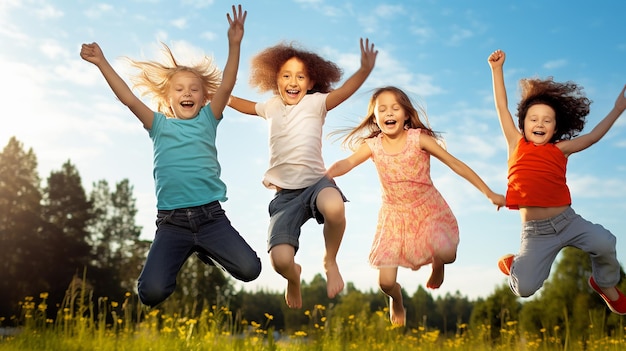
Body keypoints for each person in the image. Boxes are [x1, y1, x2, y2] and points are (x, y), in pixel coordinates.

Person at [80, 4, 261, 308]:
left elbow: (227, 84)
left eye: (194, 89)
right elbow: (127, 98)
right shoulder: (157, 124)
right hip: (172, 223)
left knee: (250, 269)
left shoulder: (209, 118)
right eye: (179, 89)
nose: (187, 93)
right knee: (150, 294)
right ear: (168, 98)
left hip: (210, 218)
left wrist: (234, 44)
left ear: (205, 97)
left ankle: (206, 250)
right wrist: (101, 62)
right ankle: (183, 252)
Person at [326, 86, 505, 326]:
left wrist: (488, 192)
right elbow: (347, 163)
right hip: (394, 216)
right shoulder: (374, 145)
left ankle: (438, 263)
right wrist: (326, 175)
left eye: (395, 108)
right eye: (382, 109)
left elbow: (455, 163)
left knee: (447, 253)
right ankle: (396, 299)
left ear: (406, 115)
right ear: (376, 118)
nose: (389, 112)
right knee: (385, 283)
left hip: (427, 210)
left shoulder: (418, 139)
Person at [227, 38, 378, 308]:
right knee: (280, 261)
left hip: (316, 184)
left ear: (311, 83)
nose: (293, 81)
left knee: (334, 208)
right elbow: (242, 104)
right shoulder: (271, 106)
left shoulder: (317, 103)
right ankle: (293, 278)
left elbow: (344, 92)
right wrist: (218, 93)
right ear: (276, 80)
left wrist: (364, 70)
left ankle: (330, 260)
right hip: (285, 196)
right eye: (286, 75)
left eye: (300, 76)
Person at [488, 49, 626, 314]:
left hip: (568, 221)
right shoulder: (515, 143)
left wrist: (618, 109)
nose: (540, 123)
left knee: (605, 242)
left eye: (547, 120)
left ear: (555, 127)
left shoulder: (560, 149)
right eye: (534, 119)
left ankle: (604, 283)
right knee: (525, 288)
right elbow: (500, 106)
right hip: (536, 233)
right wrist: (497, 70)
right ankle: (514, 266)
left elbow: (594, 136)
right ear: (523, 123)